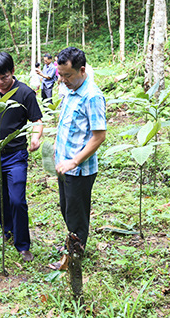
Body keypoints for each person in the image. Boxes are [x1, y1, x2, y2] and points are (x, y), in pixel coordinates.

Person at [0, 52, 44, 262]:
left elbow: (37, 120)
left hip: (16, 155)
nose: (0, 83)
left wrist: (35, 137)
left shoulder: (25, 93)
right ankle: (7, 231)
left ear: (13, 72)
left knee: (16, 199)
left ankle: (23, 244)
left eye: (4, 78)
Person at [54, 46, 106, 261]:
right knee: (67, 209)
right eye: (61, 75)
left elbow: (99, 136)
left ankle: (75, 255)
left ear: (82, 70)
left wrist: (74, 161)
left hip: (79, 169)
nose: (63, 80)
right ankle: (73, 244)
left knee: (77, 214)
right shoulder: (71, 90)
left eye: (68, 75)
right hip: (64, 166)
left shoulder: (92, 96)